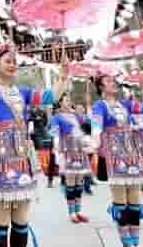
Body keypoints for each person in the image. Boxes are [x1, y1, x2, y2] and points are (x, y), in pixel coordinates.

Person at [0, 43, 68, 247]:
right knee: (2, 214)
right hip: (1, 157)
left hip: (23, 156)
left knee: (22, 215)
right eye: (7, 61)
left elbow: (51, 97)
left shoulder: (23, 91)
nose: (12, 65)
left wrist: (63, 76)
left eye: (14, 61)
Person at [91, 75, 143, 247]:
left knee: (136, 201)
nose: (113, 83)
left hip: (131, 154)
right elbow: (96, 126)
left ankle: (135, 242)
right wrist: (94, 142)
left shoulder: (125, 104)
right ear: (101, 87)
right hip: (114, 156)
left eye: (113, 80)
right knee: (121, 201)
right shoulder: (99, 106)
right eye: (108, 81)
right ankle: (126, 242)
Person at [50, 92, 90, 224]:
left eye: (69, 100)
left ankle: (78, 211)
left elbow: (88, 121)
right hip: (67, 149)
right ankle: (72, 212)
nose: (68, 102)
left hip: (79, 149)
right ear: (60, 102)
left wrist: (88, 103)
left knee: (79, 183)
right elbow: (55, 133)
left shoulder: (76, 116)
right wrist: (57, 149)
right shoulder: (57, 117)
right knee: (71, 182)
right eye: (66, 100)